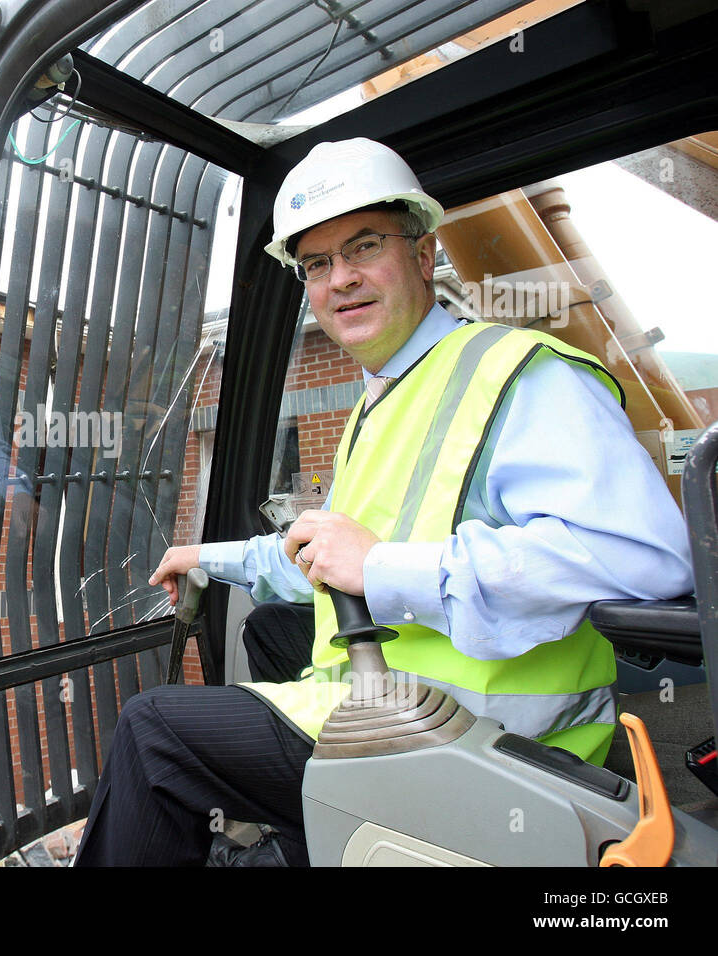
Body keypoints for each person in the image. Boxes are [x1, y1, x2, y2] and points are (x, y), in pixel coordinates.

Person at [73, 137, 693, 866]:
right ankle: (318, 835)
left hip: (490, 742)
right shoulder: (385, 402)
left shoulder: (519, 375)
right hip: (412, 702)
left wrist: (389, 570)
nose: (341, 279)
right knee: (274, 627)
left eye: (363, 247)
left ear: (424, 255)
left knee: (154, 732)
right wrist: (205, 557)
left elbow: (647, 558)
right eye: (318, 264)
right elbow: (328, 548)